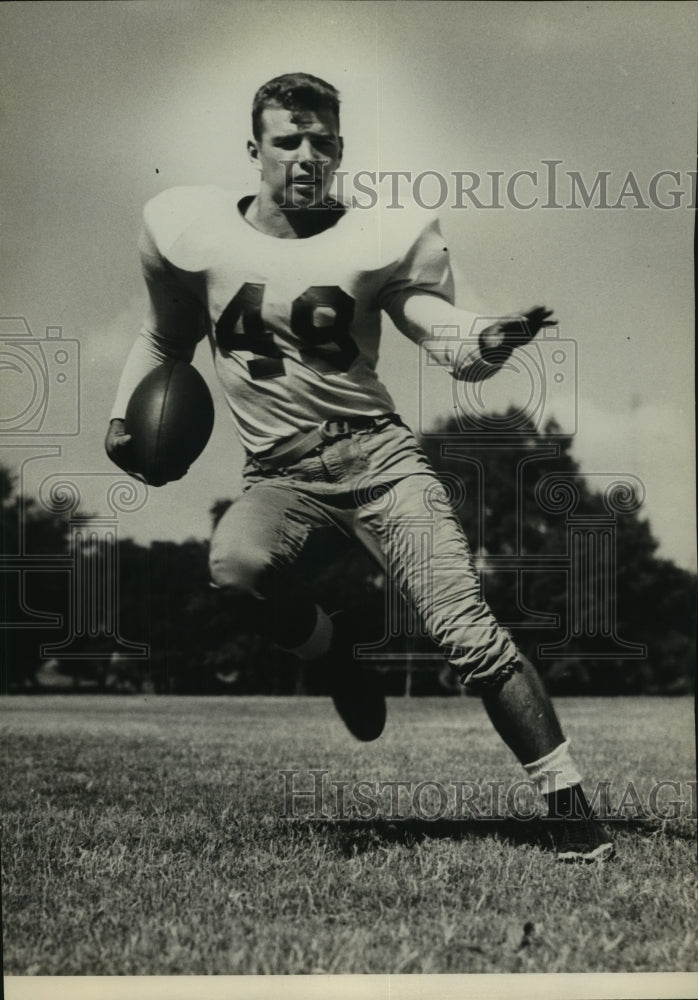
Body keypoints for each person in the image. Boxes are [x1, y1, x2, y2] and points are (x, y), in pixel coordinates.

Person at [106, 72, 613, 862]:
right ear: (255, 150)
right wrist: (120, 415)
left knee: (466, 633)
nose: (307, 157)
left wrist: (482, 337)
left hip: (378, 459)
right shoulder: (192, 232)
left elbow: (430, 322)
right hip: (280, 474)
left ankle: (570, 805)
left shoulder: (374, 238)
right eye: (288, 141)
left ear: (339, 148)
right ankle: (333, 649)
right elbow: (166, 341)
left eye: (323, 142)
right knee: (235, 569)